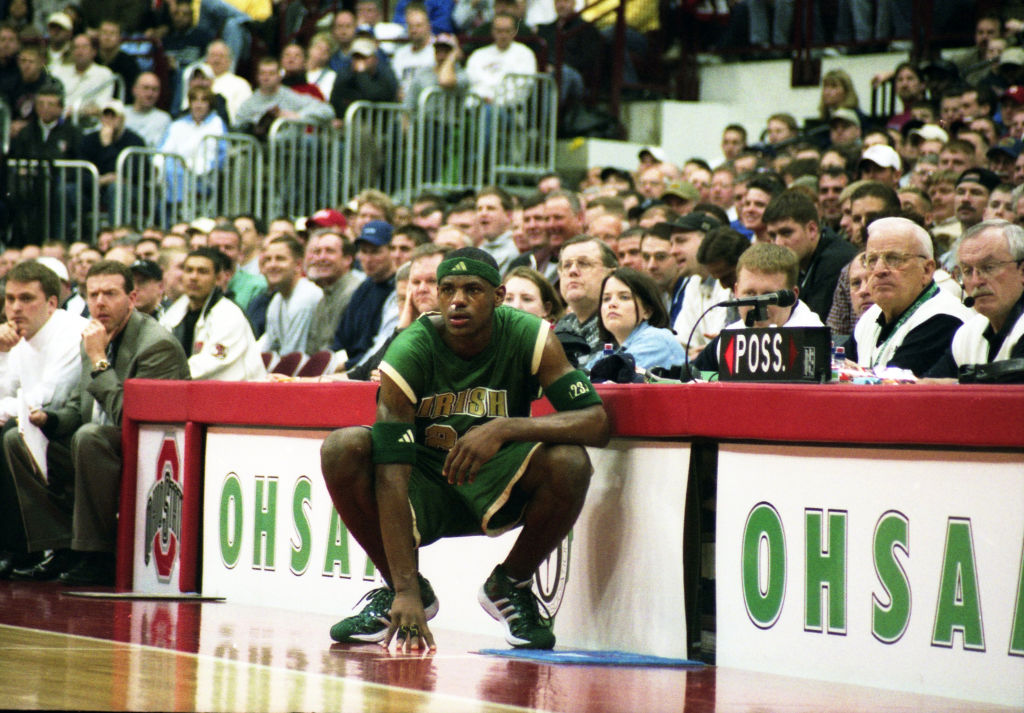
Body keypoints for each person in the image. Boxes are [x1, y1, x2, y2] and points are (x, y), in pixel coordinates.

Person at [320, 246, 608, 651]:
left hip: (497, 475)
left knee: (570, 462)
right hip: (424, 481)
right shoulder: (409, 349)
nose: (457, 300)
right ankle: (400, 592)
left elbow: (595, 421)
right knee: (343, 447)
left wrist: (505, 428)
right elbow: (392, 470)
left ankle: (511, 584)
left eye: (472, 289)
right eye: (448, 289)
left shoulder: (531, 336)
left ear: (498, 295)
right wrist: (405, 588)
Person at [6, 261, 190, 585]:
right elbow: (80, 408)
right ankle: (60, 546)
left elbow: (131, 418)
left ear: (131, 298)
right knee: (15, 439)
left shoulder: (155, 344)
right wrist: (48, 420)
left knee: (89, 437)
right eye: (93, 294)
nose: (100, 302)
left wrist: (99, 360)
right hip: (96, 445)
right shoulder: (93, 335)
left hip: (149, 452)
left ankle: (97, 555)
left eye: (110, 293)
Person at [0, 261, 89, 577]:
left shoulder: (71, 333)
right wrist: (1, 352)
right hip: (38, 426)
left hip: (68, 427)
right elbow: (7, 390)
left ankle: (26, 547)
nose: (15, 308)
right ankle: (14, 546)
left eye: (26, 299)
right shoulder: (20, 338)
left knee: (10, 435)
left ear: (52, 303)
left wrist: (6, 409)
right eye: (10, 299)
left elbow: (45, 397)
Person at [848, 217, 973, 376]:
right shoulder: (871, 317)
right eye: (872, 260)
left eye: (893, 259)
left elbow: (893, 391)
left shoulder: (944, 318)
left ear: (927, 270)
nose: (879, 270)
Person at [692, 243, 824, 373]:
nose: (758, 305)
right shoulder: (728, 339)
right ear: (736, 292)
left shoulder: (813, 341)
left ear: (792, 296)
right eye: (750, 293)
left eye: (769, 296)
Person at [926, 220, 1024, 378]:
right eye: (967, 270)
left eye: (989, 267)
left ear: (1022, 271)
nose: (976, 281)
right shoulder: (968, 333)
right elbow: (931, 386)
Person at [160, 247, 265, 381]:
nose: (194, 277)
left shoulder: (228, 315)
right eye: (189, 270)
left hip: (239, 394)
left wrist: (163, 374)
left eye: (202, 272)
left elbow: (211, 363)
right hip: (194, 390)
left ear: (218, 278)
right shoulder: (175, 312)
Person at [763, 189, 858, 324]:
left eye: (786, 233)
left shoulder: (836, 261)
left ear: (812, 230)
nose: (778, 243)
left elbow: (814, 325)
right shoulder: (800, 260)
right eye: (772, 236)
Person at [589, 267, 686, 373]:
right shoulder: (610, 350)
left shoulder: (655, 339)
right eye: (606, 299)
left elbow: (610, 380)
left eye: (624, 297)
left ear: (647, 311)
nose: (612, 304)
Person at [333, 221, 398, 369]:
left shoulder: (396, 291)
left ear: (391, 251)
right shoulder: (364, 287)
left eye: (375, 251)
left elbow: (382, 346)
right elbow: (341, 337)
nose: (368, 259)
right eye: (363, 251)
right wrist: (335, 363)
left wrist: (348, 367)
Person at [554, 235, 618, 365]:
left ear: (611, 275)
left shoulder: (620, 326)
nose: (572, 271)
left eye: (583, 263)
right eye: (566, 265)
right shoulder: (562, 328)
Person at [257, 236, 324, 355]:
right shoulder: (277, 299)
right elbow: (267, 348)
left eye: (280, 259)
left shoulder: (306, 297)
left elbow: (294, 356)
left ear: (298, 265)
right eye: (268, 259)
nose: (272, 265)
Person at [233, 55, 334, 133]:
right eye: (262, 73)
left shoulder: (290, 96)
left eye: (271, 73)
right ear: (257, 76)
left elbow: (327, 110)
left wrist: (298, 116)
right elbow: (237, 127)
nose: (266, 77)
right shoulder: (249, 103)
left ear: (279, 76)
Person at [305, 227, 362, 355]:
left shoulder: (354, 293)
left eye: (329, 251)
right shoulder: (323, 296)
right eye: (317, 252)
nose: (321, 258)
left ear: (347, 259)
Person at [123, 72, 172, 147]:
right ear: (134, 90)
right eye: (146, 88)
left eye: (154, 90)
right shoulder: (121, 113)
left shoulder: (163, 119)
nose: (150, 94)